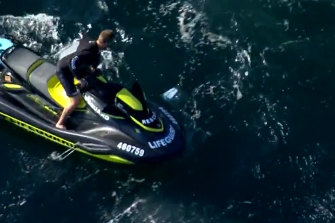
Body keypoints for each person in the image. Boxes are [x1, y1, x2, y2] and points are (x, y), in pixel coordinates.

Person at [55, 29, 114, 129]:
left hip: (75, 67)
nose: (108, 46)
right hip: (64, 72)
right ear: (104, 42)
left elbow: (83, 36)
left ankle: (79, 85)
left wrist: (93, 69)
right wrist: (79, 77)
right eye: (108, 44)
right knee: (75, 102)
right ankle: (59, 123)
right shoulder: (87, 52)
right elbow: (72, 62)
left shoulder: (93, 45)